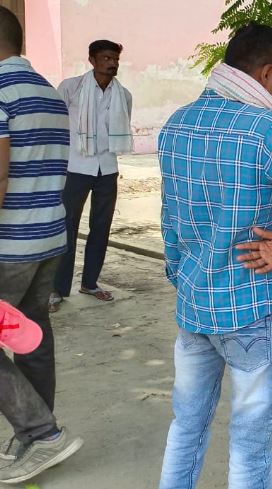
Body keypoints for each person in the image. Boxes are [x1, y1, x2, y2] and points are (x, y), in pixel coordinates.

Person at [157, 23, 272, 489]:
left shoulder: (177, 124)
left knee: (186, 427)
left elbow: (169, 216)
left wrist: (181, 275)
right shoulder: (266, 127)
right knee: (250, 444)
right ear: (266, 72)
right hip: (251, 308)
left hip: (194, 304)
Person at [0, 7, 83, 482]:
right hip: (50, 236)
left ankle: (41, 432)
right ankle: (35, 437)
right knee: (30, 335)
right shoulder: (49, 94)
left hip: (10, 244)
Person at [49, 40, 133, 311]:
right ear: (93, 60)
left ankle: (90, 283)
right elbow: (56, 125)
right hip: (75, 166)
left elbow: (120, 129)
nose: (112, 63)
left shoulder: (124, 95)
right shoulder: (70, 88)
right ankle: (57, 288)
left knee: (101, 226)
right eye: (107, 58)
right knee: (67, 226)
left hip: (107, 168)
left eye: (115, 59)